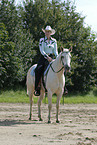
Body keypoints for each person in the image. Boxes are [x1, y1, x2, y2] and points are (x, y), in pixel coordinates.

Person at [34, 26, 58, 96]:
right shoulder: (41, 40)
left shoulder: (54, 41)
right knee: (38, 69)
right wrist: (47, 57)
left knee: (60, 68)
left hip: (52, 57)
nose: (47, 33)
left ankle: (63, 87)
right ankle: (37, 88)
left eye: (49, 32)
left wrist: (57, 58)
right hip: (44, 57)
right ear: (45, 32)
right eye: (46, 31)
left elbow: (55, 51)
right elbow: (42, 50)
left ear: (51, 33)